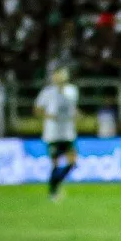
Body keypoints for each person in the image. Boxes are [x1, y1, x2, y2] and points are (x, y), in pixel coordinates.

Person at [33, 67, 79, 202]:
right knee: (55, 164)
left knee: (72, 163)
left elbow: (71, 107)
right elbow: (37, 110)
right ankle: (53, 192)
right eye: (57, 76)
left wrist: (76, 114)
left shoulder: (72, 90)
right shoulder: (47, 93)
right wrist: (49, 116)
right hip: (52, 134)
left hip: (68, 133)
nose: (59, 78)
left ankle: (56, 184)